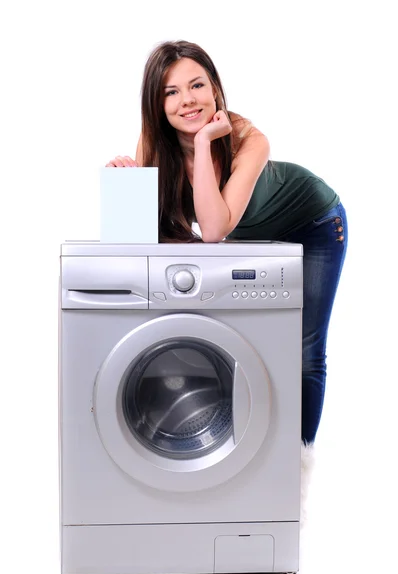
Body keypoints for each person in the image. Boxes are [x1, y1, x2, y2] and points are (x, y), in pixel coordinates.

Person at [106, 40, 348, 515]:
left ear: (215, 88)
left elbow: (214, 229)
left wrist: (201, 144)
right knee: (244, 339)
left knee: (304, 352)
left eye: (197, 85)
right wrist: (127, 182)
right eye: (171, 92)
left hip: (316, 224)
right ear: (157, 102)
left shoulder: (249, 139)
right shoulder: (153, 144)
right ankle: (236, 461)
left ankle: (295, 472)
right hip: (255, 236)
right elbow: (155, 238)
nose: (187, 100)